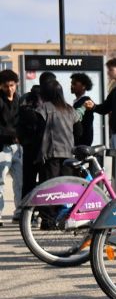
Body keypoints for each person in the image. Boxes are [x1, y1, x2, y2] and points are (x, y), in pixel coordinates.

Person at [17, 72, 56, 207]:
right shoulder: (52, 100)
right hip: (46, 147)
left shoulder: (24, 98)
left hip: (29, 146)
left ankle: (25, 211)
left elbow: (18, 121)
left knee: (28, 180)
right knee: (46, 181)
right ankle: (44, 211)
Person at [38, 80, 81, 181]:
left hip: (52, 154)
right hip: (69, 153)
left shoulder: (44, 108)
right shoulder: (70, 109)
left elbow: (38, 131)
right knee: (66, 186)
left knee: (52, 186)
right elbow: (79, 131)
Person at [0, 69, 22, 226]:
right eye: (6, 86)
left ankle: (19, 214)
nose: (10, 89)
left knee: (19, 182)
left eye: (12, 85)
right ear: (1, 86)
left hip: (19, 148)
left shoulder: (20, 100)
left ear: (16, 84)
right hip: (2, 148)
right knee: (0, 182)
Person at [70, 72, 95, 146]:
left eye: (74, 83)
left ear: (83, 86)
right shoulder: (78, 101)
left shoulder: (86, 101)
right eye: (71, 83)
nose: (71, 86)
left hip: (83, 141)